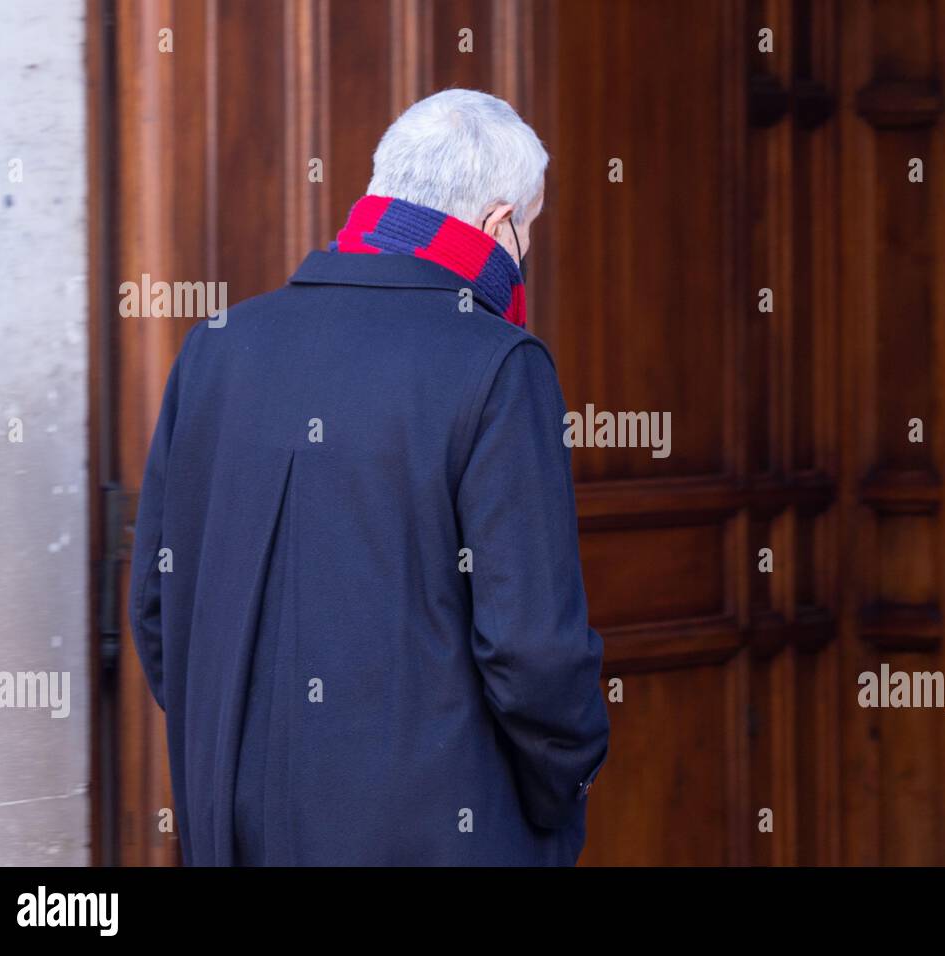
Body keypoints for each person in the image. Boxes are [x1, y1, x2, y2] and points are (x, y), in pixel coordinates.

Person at [128, 88, 610, 865]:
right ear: (497, 226)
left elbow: (157, 610)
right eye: (529, 231)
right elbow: (534, 655)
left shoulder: (217, 346)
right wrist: (564, 787)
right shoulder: (497, 364)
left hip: (231, 826)